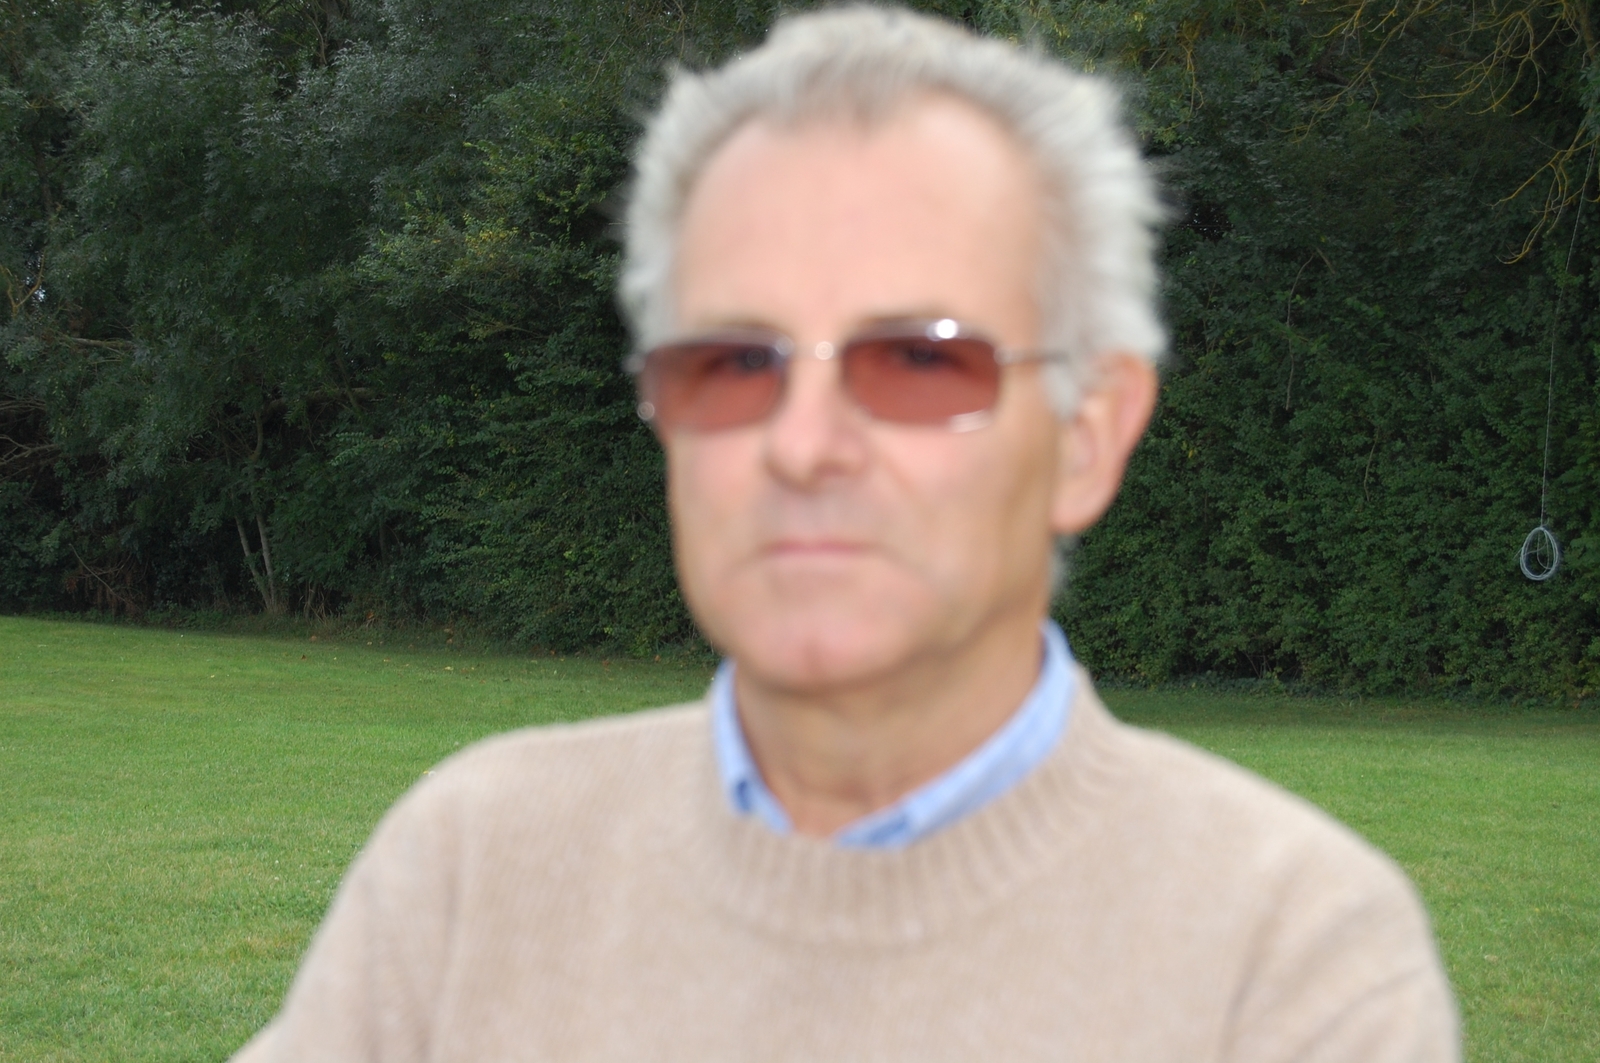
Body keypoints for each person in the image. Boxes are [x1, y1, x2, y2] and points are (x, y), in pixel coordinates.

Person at [233, 7, 1459, 1060]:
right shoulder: (474, 867)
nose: (803, 443)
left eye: (919, 360)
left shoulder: (1292, 959)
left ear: (1087, 435)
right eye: (733, 362)